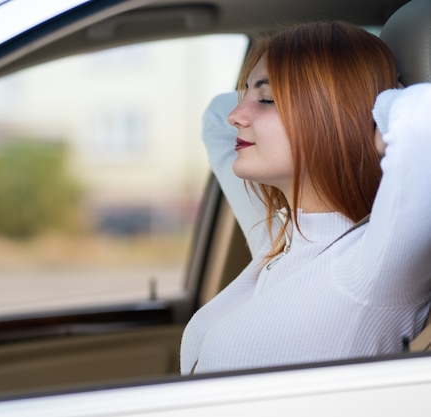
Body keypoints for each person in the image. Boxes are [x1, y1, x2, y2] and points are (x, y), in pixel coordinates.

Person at [180, 21, 431, 375]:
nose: (237, 116)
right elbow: (216, 117)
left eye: (266, 100)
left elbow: (423, 117)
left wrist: (367, 117)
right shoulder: (281, 238)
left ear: (333, 117)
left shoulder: (369, 267)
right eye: (247, 94)